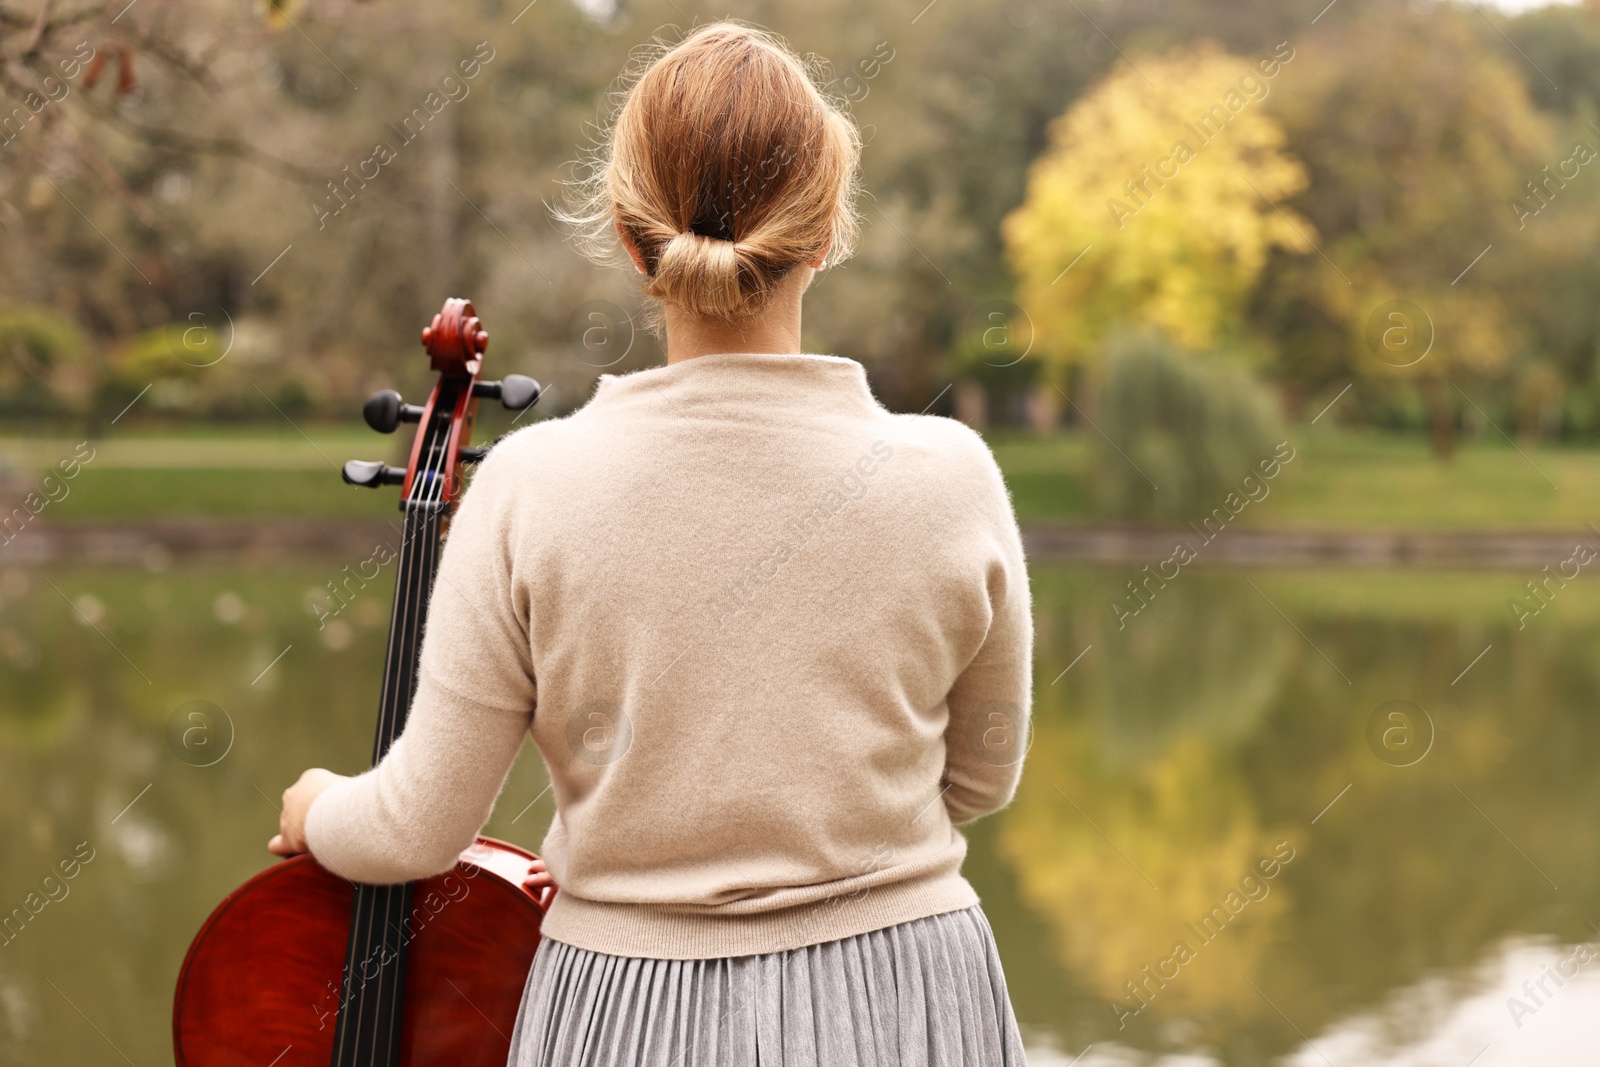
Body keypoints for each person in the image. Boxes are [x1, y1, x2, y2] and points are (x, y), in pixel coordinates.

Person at [268, 20, 1034, 1066]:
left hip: (629, 1010)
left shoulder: (534, 486)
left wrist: (317, 809)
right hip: (905, 992)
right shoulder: (949, 474)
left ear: (631, 240)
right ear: (821, 236)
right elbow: (979, 777)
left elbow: (414, 830)